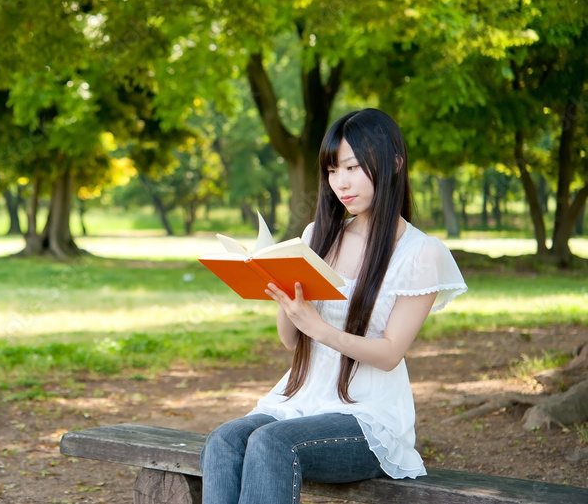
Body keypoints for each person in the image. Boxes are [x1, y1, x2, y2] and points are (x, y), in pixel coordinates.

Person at [200, 108, 467, 504]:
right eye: (331, 170)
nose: (340, 182)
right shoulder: (319, 235)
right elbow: (291, 342)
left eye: (353, 167)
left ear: (394, 163)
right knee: (223, 440)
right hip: (301, 401)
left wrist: (320, 328)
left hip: (368, 420)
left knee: (272, 444)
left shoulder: (421, 253)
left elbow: (390, 353)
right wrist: (285, 299)